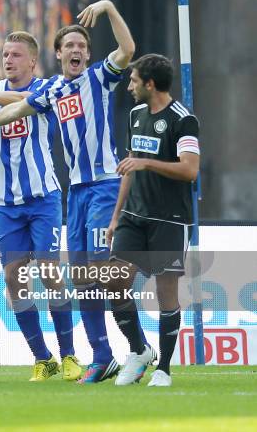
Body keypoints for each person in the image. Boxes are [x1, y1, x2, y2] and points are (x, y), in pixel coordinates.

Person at [0, 0, 154, 384]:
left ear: (89, 54)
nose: (76, 51)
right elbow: (15, 111)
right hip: (77, 193)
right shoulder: (52, 91)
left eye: (82, 46)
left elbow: (129, 50)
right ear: (58, 55)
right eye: (69, 46)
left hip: (103, 185)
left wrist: (111, 9)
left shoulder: (100, 77)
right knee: (82, 277)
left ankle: (138, 347)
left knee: (102, 271)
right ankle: (101, 356)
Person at [0, 31, 80, 382]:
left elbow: (26, 99)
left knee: (49, 273)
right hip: (4, 203)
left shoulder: (48, 87)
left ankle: (70, 354)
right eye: (4, 54)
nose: (8, 60)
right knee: (14, 278)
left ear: (31, 61)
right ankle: (43, 358)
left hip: (43, 197)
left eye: (15, 54)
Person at [109, 54, 200, 387]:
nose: (129, 86)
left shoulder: (183, 120)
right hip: (133, 215)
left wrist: (148, 164)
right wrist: (116, 216)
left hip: (170, 218)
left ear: (149, 84)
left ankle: (164, 370)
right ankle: (139, 350)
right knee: (113, 279)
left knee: (166, 293)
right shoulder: (135, 115)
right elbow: (131, 167)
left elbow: (190, 170)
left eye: (133, 81)